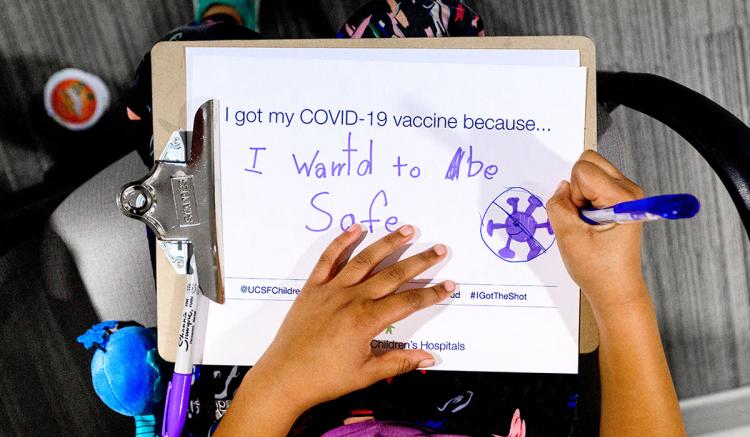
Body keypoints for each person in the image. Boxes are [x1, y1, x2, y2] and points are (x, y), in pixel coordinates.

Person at [212, 150, 686, 437]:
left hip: (277, 382)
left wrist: (280, 384)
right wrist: (619, 296)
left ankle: (220, 26)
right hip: (509, 380)